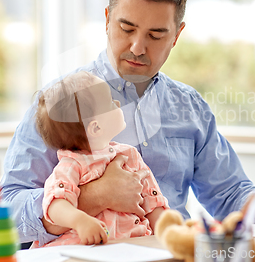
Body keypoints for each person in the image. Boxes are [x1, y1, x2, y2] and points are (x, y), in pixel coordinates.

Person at [0, 0, 255, 247]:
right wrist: (95, 195)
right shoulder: (60, 102)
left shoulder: (190, 107)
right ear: (107, 20)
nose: (138, 47)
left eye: (155, 35)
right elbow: (8, 214)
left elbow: (228, 193)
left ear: (176, 36)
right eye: (126, 29)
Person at [32, 71, 168, 247]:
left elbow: (153, 204)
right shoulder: (71, 165)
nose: (118, 103)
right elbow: (55, 204)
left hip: (133, 247)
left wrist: (171, 230)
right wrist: (80, 221)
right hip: (83, 249)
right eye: (111, 102)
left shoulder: (130, 155)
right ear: (95, 128)